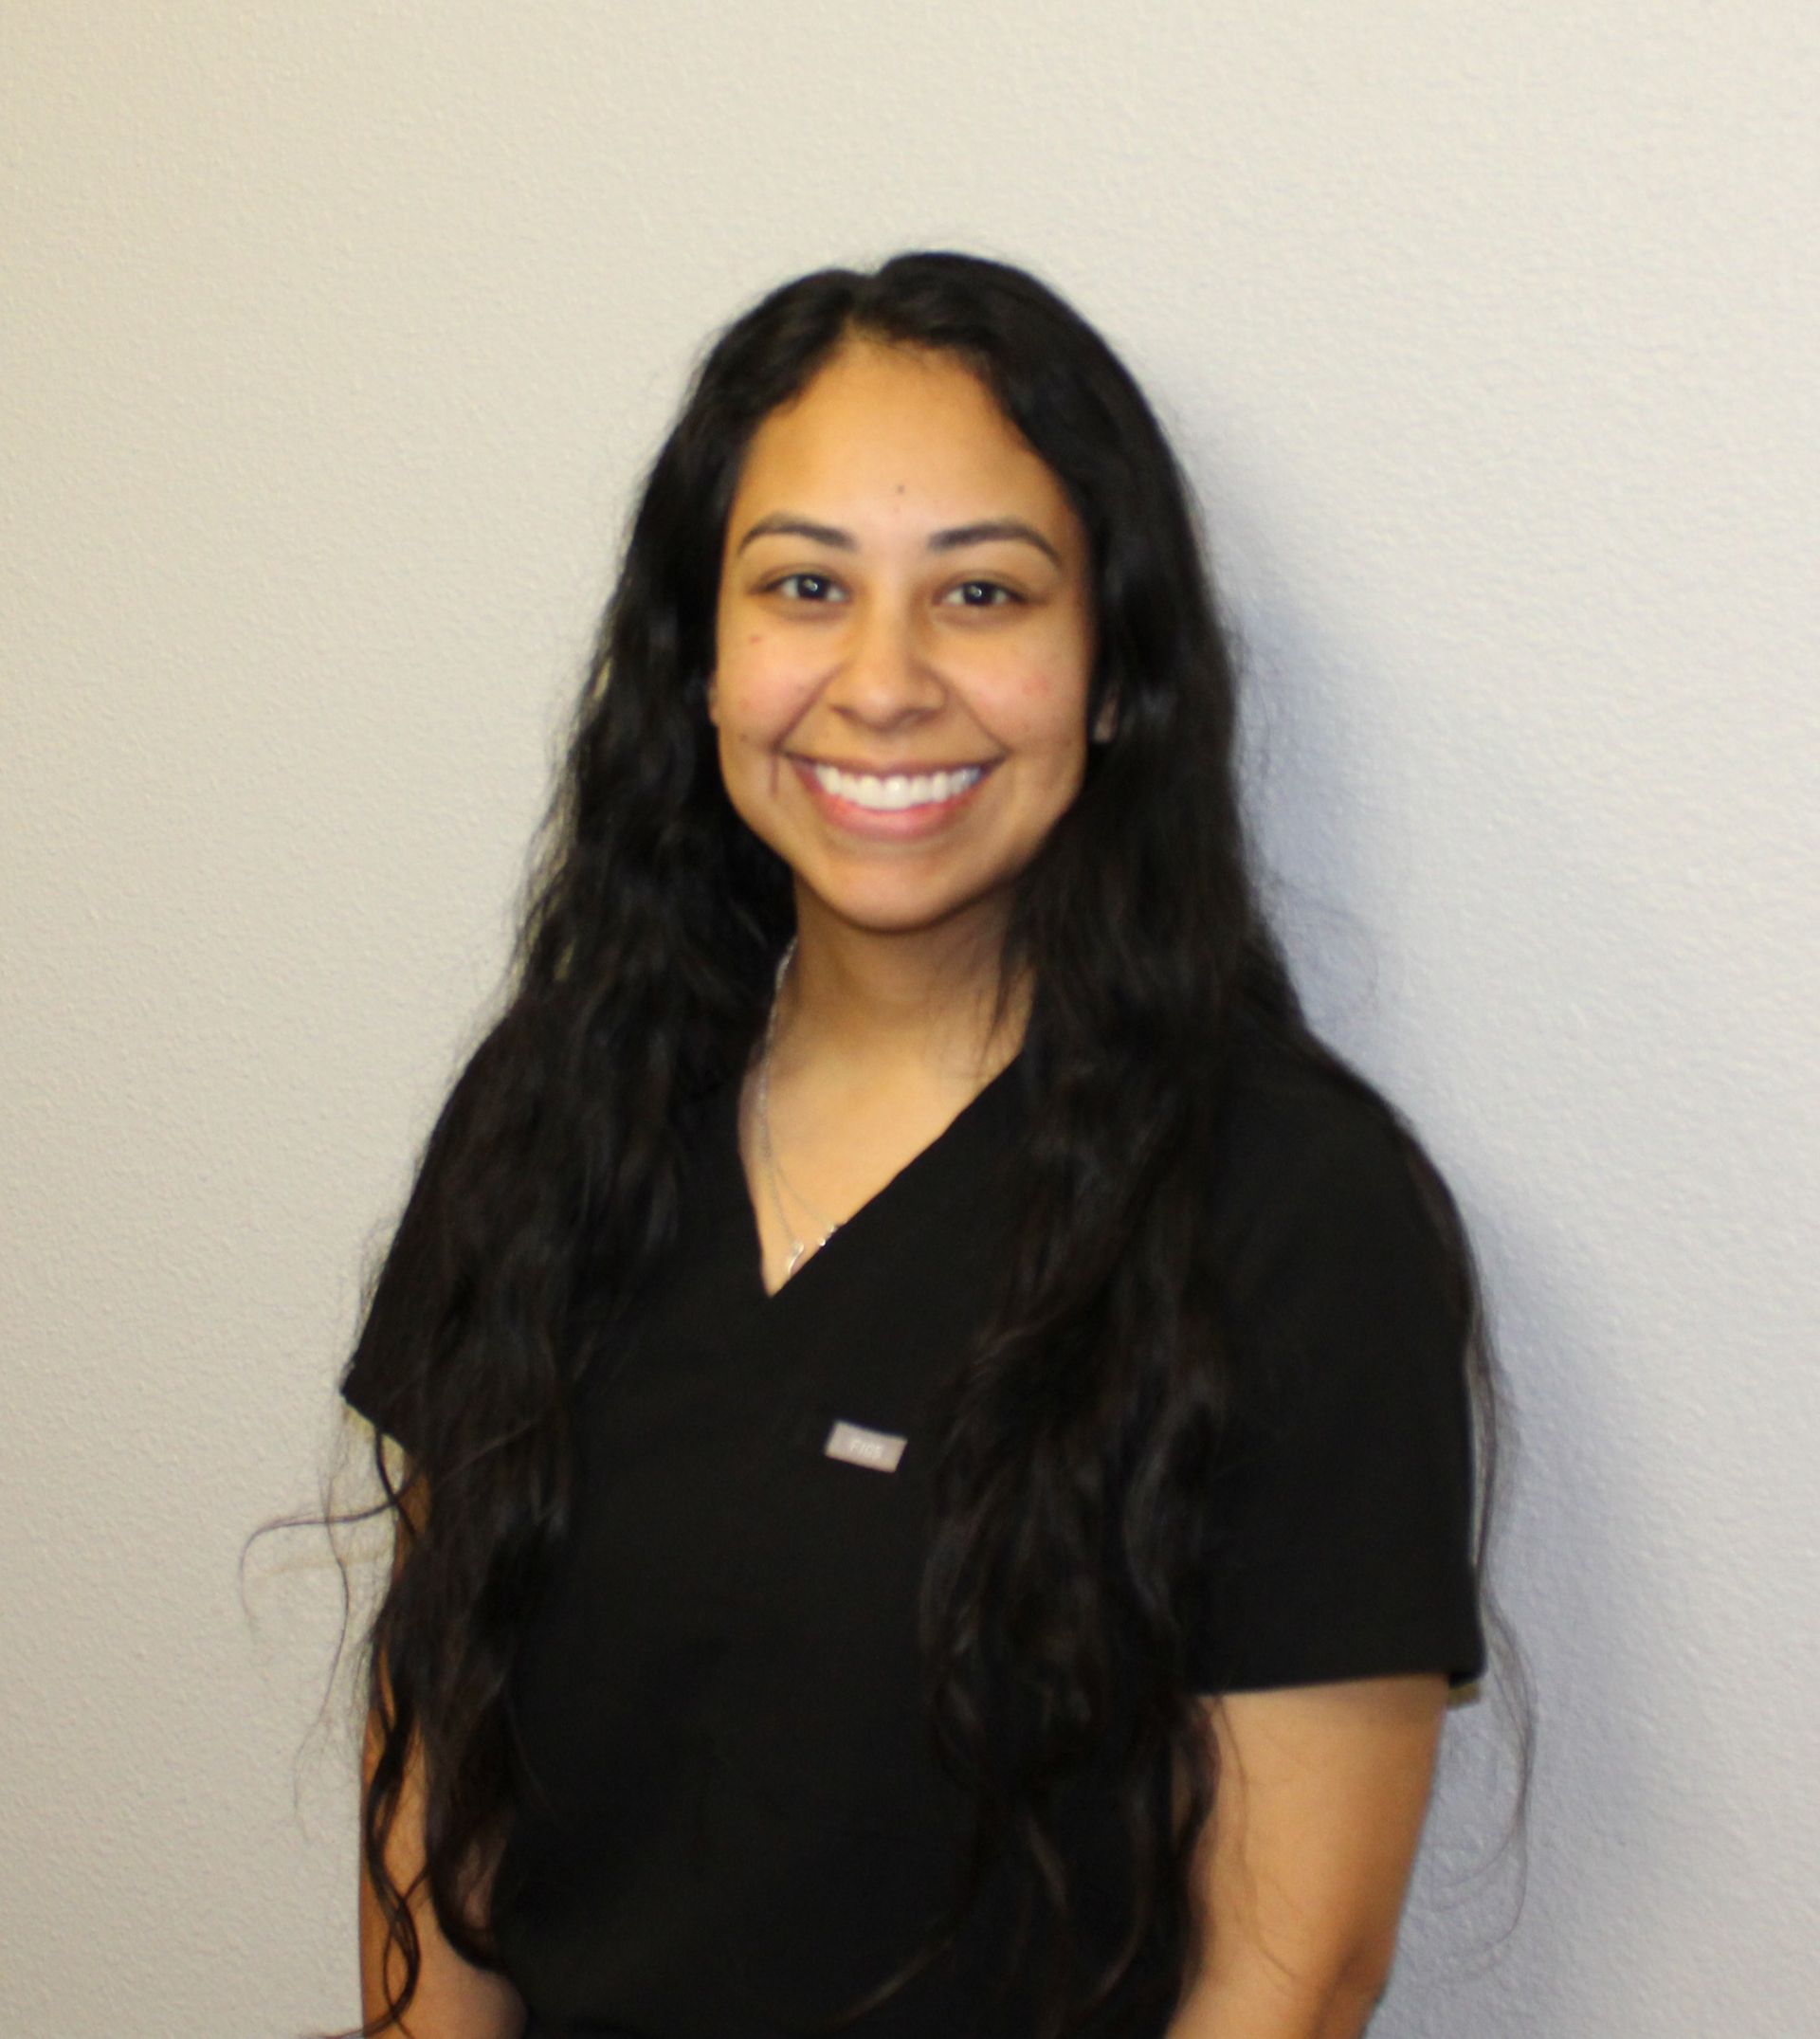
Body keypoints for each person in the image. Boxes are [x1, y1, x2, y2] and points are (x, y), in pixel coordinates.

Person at [338, 251, 1491, 2039]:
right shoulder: (550, 1112)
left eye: (982, 592)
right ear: (700, 660)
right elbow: (432, 1786)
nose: (882, 683)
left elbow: (1295, 1973)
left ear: (1113, 673)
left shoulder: (1290, 1213)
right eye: (805, 586)